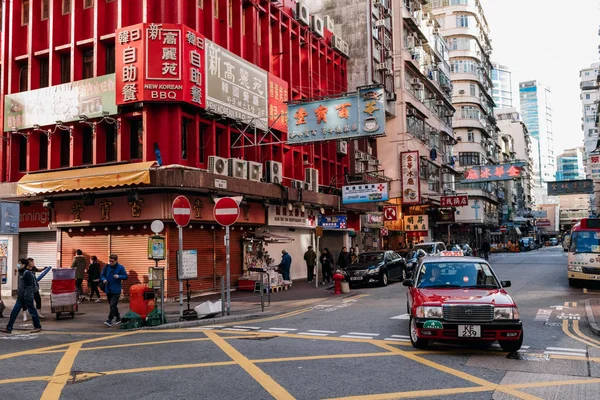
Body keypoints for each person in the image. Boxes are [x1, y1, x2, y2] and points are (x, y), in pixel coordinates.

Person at [1, 259, 42, 334]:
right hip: (20, 297)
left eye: (19, 263)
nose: (18, 265)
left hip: (27, 297)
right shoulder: (21, 273)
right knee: (14, 312)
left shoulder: (27, 274)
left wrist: (26, 296)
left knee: (32, 311)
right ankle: (9, 328)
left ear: (24, 265)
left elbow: (29, 287)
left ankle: (37, 326)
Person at [100, 254, 127, 327]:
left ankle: (109, 320)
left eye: (112, 261)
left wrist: (119, 276)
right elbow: (102, 275)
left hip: (116, 289)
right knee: (112, 305)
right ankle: (118, 318)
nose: (110, 262)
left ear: (116, 261)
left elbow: (125, 276)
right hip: (108, 288)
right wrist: (104, 280)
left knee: (113, 305)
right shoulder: (106, 267)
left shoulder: (120, 267)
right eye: (109, 261)